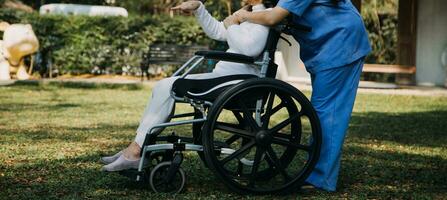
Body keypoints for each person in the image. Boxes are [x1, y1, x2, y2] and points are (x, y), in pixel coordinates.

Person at [100, 0, 270, 172]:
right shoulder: (248, 14)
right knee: (163, 85)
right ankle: (137, 147)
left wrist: (233, 24)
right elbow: (219, 31)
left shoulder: (265, 15)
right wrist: (199, 8)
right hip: (225, 75)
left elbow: (250, 49)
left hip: (238, 80)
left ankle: (135, 152)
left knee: (169, 86)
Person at [232, 0, 371, 192]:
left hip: (340, 43)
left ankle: (320, 179)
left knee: (327, 114)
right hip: (329, 45)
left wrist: (243, 16)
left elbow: (273, 17)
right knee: (324, 110)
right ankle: (317, 172)